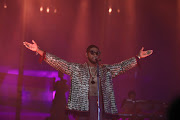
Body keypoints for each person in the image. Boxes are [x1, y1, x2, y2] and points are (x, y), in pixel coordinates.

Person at [23, 40, 153, 120]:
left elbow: (121, 66)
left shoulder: (105, 70)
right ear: (86, 54)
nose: (95, 54)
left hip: (101, 105)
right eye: (92, 52)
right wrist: (38, 50)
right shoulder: (77, 68)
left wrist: (138, 57)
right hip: (83, 105)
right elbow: (59, 63)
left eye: (97, 53)